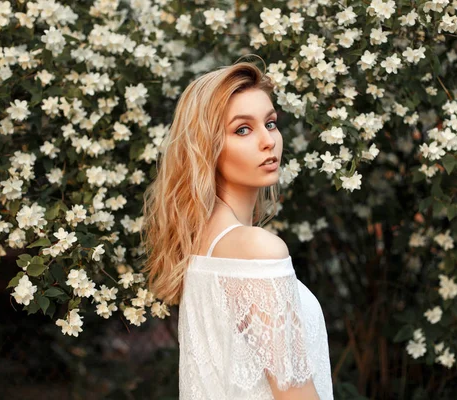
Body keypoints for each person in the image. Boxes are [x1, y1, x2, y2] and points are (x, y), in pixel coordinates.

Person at [141, 58, 333, 400]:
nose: (268, 141)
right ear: (208, 147)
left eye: (271, 123)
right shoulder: (256, 248)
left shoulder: (200, 243)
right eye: (242, 129)